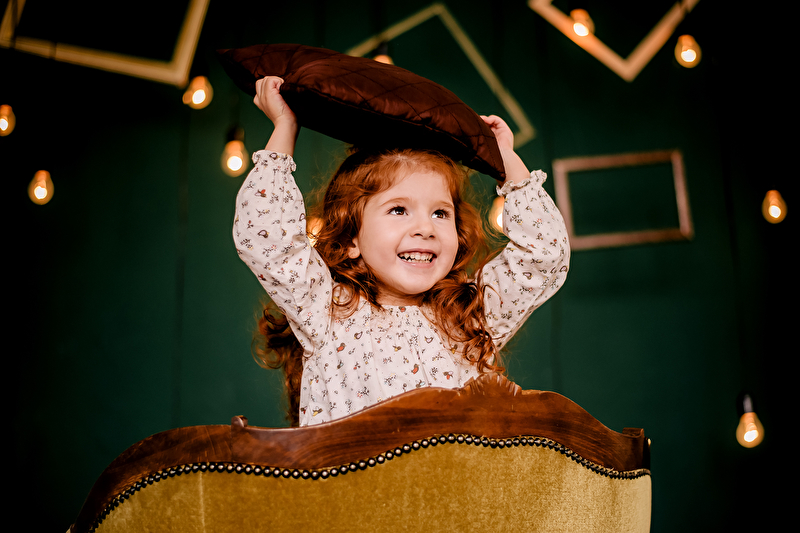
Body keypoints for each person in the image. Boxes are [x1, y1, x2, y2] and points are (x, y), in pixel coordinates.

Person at [234, 76, 570, 427]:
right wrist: (285, 127)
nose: (425, 228)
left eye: (440, 213)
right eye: (398, 210)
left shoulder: (470, 317)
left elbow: (544, 254)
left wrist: (506, 161)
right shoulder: (325, 311)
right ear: (351, 239)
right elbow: (267, 236)